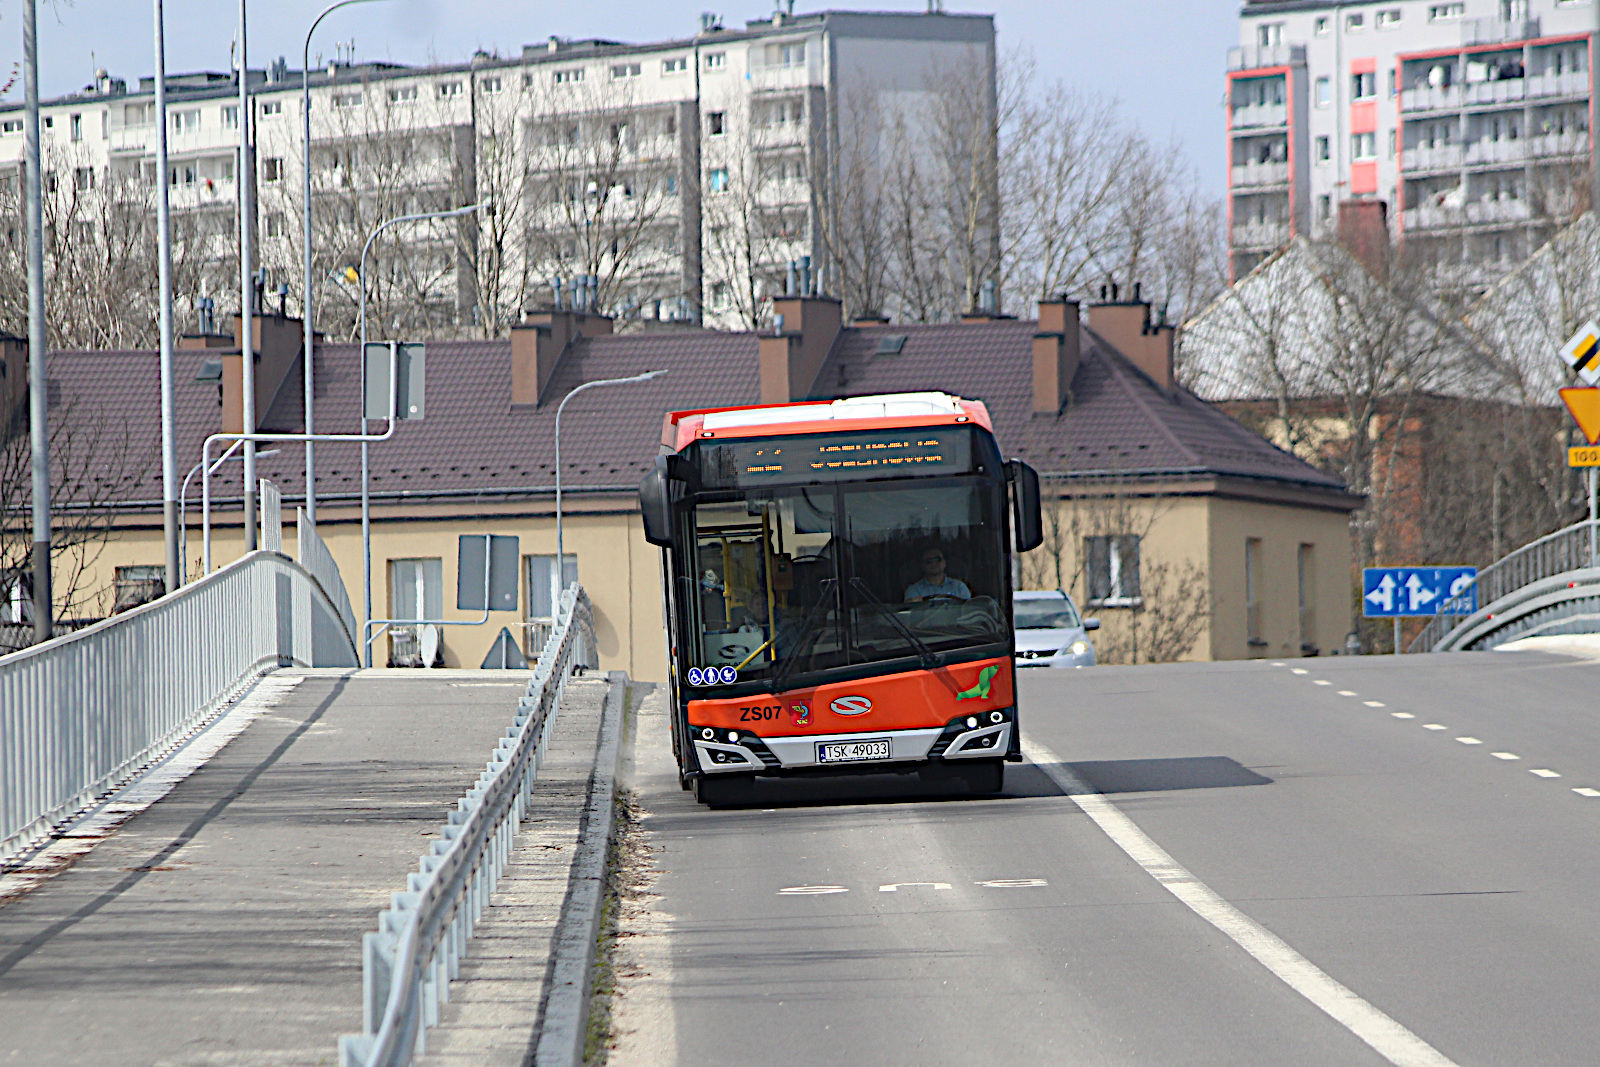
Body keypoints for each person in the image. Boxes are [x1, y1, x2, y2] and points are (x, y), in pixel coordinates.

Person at [904, 546, 971, 602]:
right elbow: (910, 615)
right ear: (923, 566)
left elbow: (967, 611)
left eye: (938, 559)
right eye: (929, 561)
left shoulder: (959, 587)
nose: (934, 563)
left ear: (944, 563)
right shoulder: (914, 590)